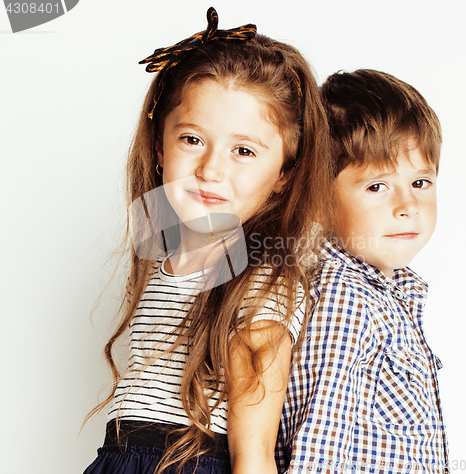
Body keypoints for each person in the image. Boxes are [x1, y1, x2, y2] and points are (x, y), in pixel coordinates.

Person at [83, 7, 332, 474]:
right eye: (192, 139)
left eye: (244, 150)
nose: (211, 169)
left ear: (284, 173)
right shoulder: (162, 249)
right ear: (159, 147)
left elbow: (252, 452)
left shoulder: (262, 284)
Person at [276, 69, 449, 473]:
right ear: (319, 197)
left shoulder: (389, 294)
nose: (408, 205)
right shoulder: (344, 298)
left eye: (421, 182)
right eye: (377, 186)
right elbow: (321, 440)